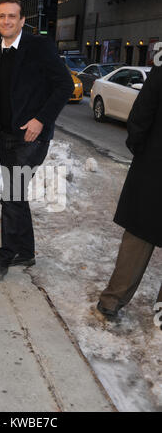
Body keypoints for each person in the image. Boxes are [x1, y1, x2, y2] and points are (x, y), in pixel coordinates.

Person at [0, 0, 74, 282]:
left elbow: (64, 85)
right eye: (1, 16)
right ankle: (26, 252)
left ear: (22, 20)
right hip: (5, 136)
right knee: (16, 196)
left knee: (11, 196)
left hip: (31, 139)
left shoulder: (38, 46)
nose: (6, 21)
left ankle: (4, 257)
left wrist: (41, 119)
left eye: (12, 16)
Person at [97, 66, 162, 328]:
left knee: (138, 237)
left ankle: (112, 300)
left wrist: (142, 150)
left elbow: (142, 111)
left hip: (155, 166)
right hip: (155, 166)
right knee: (138, 236)